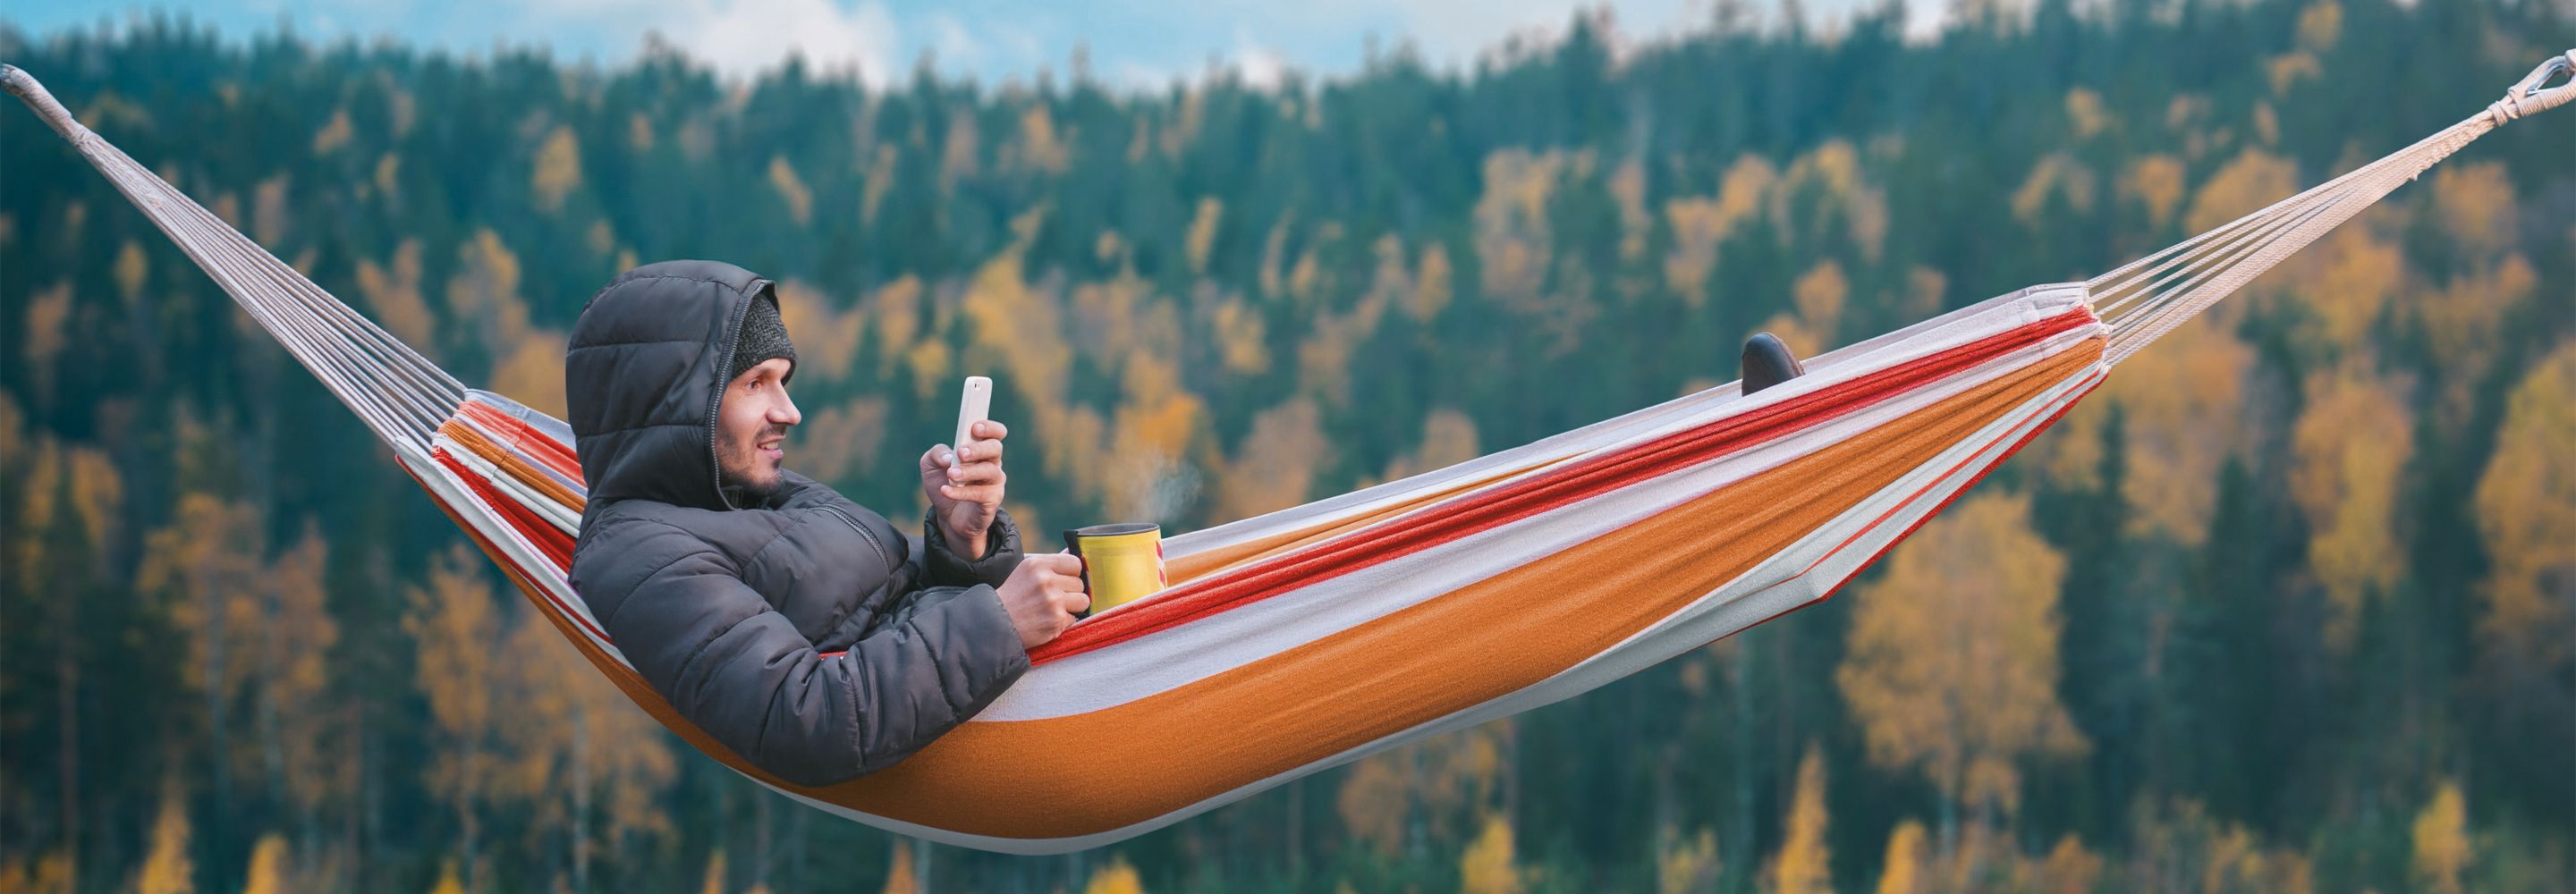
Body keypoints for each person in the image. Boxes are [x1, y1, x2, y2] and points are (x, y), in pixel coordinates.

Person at [561, 260, 1089, 788]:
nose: (789, 411)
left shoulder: (741, 489)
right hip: (984, 725)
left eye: (783, 381)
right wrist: (1000, 622)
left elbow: (895, 593)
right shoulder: (636, 555)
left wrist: (962, 540)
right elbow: (806, 717)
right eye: (755, 384)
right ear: (671, 400)